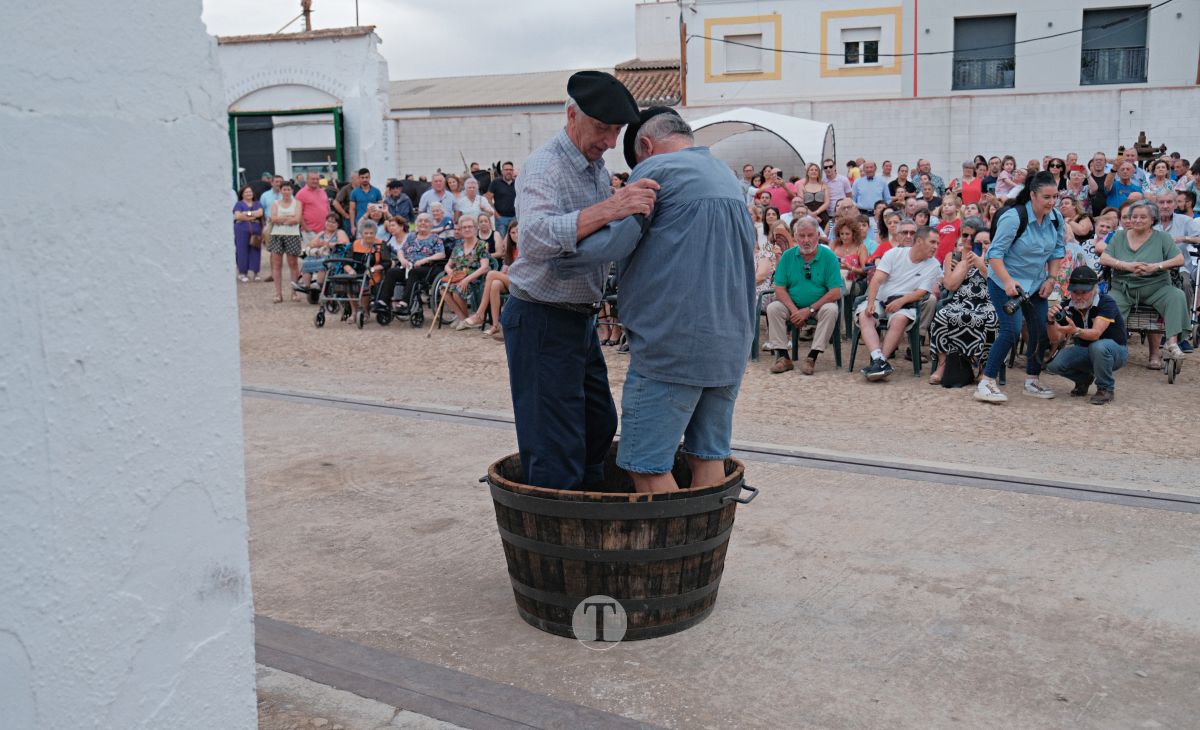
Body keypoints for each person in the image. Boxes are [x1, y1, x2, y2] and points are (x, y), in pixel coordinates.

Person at [549, 106, 755, 493]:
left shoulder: (657, 172)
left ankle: (674, 555)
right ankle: (704, 553)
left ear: (645, 146)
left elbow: (616, 241)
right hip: (730, 343)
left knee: (645, 466)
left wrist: (552, 255)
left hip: (673, 347)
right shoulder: (727, 177)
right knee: (707, 459)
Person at [500, 70, 656, 492]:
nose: (609, 141)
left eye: (616, 131)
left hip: (576, 320)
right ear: (572, 117)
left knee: (597, 422)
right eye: (602, 129)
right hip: (540, 318)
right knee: (555, 444)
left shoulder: (595, 169)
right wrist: (611, 209)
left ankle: (585, 514)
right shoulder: (544, 167)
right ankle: (561, 542)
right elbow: (532, 238)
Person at [975, 172, 1066, 403]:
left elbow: (1057, 251)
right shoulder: (1014, 218)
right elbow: (995, 254)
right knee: (1011, 331)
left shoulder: (1055, 217)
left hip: (1036, 283)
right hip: (1005, 281)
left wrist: (1051, 279)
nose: (1051, 202)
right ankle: (986, 382)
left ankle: (1032, 380)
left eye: (1055, 196)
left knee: (1039, 330)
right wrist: (1007, 281)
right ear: (1033, 195)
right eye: (1046, 197)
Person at [1099, 199, 1189, 368]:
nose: (1137, 220)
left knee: (1177, 295)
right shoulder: (1119, 236)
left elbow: (1179, 259)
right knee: (1109, 303)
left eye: (1142, 217)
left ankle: (1171, 344)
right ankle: (1109, 348)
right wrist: (1125, 265)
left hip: (1156, 287)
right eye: (1134, 217)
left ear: (1152, 220)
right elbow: (1104, 257)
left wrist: (1156, 266)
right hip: (1124, 288)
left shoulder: (1162, 237)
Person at [855, 224, 941, 381]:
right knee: (864, 314)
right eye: (933, 242)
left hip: (906, 303)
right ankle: (879, 361)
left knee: (900, 319)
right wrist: (871, 302)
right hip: (881, 299)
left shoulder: (933, 264)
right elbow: (877, 279)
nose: (936, 247)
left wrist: (901, 301)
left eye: (938, 243)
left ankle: (880, 362)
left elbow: (921, 292)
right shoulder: (894, 254)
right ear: (920, 241)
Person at [764, 217, 842, 375]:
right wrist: (795, 311)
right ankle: (783, 357)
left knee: (831, 309)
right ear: (795, 237)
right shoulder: (787, 256)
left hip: (818, 306)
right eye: (802, 236)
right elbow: (779, 288)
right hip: (792, 305)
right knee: (773, 308)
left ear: (817, 236)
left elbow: (836, 291)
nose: (806, 240)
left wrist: (810, 310)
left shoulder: (828, 256)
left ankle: (812, 357)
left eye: (810, 235)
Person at [1045, 266, 1128, 405]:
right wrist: (1050, 321)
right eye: (1075, 291)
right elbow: (1055, 339)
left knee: (1098, 346)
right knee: (1054, 364)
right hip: (1088, 352)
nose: (1078, 296)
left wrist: (1074, 331)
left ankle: (1105, 388)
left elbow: (1095, 334)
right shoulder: (1066, 306)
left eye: (1084, 292)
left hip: (1115, 352)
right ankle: (1083, 379)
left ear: (1094, 290)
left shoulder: (1106, 302)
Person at [928, 223, 997, 385]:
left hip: (988, 303)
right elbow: (950, 286)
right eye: (978, 244)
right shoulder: (962, 260)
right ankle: (943, 364)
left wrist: (983, 266)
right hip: (962, 302)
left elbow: (1000, 285)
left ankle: (984, 366)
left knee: (992, 320)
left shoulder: (998, 261)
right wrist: (966, 265)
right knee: (942, 316)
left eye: (986, 243)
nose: (982, 246)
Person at [465, 219, 518, 340]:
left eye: (517, 232)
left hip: (522, 282)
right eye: (512, 233)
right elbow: (506, 266)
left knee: (491, 274)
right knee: (494, 284)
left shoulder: (525, 247)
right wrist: (505, 270)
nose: (515, 235)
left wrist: (510, 270)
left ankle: (480, 313)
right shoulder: (512, 248)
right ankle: (495, 325)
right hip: (511, 280)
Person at [441, 216, 491, 329]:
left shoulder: (481, 245)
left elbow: (484, 267)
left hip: (475, 279)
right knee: (443, 289)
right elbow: (447, 265)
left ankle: (465, 319)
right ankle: (463, 318)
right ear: (461, 230)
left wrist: (467, 279)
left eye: (470, 227)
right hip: (458, 278)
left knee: (456, 290)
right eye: (464, 227)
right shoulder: (457, 247)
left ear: (475, 228)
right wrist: (449, 271)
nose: (467, 229)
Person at [267, 180, 304, 303]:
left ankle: (294, 292)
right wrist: (289, 218)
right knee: (277, 265)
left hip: (292, 235)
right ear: (280, 190)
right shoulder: (275, 203)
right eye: (284, 189)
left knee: (293, 264)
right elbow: (273, 218)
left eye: (288, 189)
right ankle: (278, 293)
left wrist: (281, 219)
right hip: (277, 235)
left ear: (292, 191)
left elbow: (297, 219)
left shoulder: (297, 203)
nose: (286, 192)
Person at [232, 185, 263, 282]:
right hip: (241, 230)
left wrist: (246, 213)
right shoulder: (238, 204)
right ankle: (242, 273)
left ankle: (256, 272)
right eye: (246, 192)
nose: (249, 194)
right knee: (242, 250)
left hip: (256, 230)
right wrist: (252, 215)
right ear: (242, 194)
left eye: (250, 192)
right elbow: (237, 216)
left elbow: (260, 213)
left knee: (256, 249)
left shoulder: (257, 203)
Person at [348, 168, 382, 238]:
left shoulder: (376, 191)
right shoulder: (354, 192)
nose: (364, 179)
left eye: (366, 177)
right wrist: (352, 226)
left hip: (374, 222)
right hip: (360, 222)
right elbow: (352, 210)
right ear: (359, 178)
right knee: (360, 244)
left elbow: (380, 208)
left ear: (370, 178)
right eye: (362, 177)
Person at [487, 162, 518, 237]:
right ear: (502, 171)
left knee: (514, 241)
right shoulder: (495, 183)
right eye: (506, 169)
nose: (508, 171)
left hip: (515, 218)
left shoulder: (517, 183)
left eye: (510, 169)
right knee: (501, 240)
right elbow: (488, 199)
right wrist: (496, 215)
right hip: (501, 218)